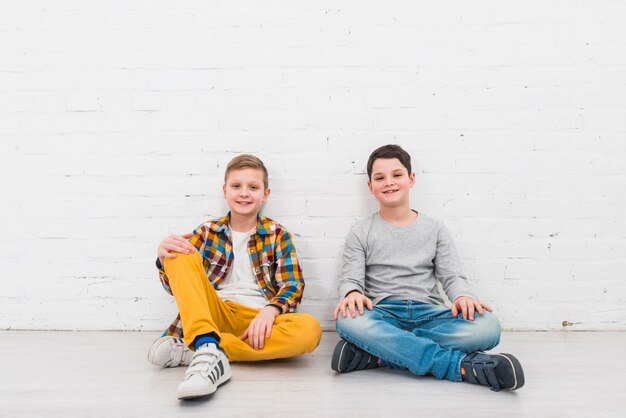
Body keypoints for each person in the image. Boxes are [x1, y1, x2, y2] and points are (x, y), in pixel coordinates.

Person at [331, 144, 524, 392]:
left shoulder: (435, 228)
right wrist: (352, 294)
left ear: (411, 179)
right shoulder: (361, 230)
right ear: (371, 187)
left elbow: (453, 276)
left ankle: (378, 354)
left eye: (397, 175)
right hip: (383, 315)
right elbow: (351, 280)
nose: (389, 182)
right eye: (380, 178)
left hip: (429, 315)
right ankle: (460, 366)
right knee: (348, 321)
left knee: (488, 326)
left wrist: (463, 296)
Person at [148, 154, 322, 400]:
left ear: (266, 193)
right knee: (179, 250)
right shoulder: (207, 232)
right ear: (225, 191)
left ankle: (196, 349)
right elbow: (177, 287)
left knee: (310, 330)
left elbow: (292, 286)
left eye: (253, 187)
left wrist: (270, 311)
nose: (244, 193)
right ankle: (207, 342)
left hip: (259, 321)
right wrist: (163, 259)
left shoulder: (277, 234)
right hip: (214, 312)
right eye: (236, 186)